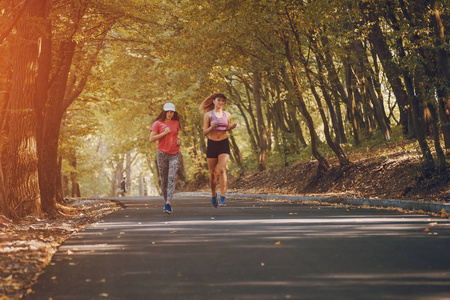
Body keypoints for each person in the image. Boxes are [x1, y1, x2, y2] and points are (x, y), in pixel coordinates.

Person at [200, 92, 237, 207]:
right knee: (213, 172)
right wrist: (211, 126)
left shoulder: (227, 115)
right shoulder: (208, 115)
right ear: (214, 101)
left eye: (223, 101)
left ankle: (223, 197)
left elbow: (225, 128)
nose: (221, 103)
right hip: (212, 144)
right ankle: (213, 195)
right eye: (219, 100)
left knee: (222, 170)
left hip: (223, 144)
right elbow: (204, 132)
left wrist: (231, 127)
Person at [149, 102, 182, 214]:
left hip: (174, 154)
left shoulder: (176, 122)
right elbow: (151, 139)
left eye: (171, 112)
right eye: (167, 111)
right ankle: (165, 201)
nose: (169, 113)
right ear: (164, 112)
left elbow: (177, 135)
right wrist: (164, 133)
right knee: (164, 179)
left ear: (174, 113)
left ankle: (168, 202)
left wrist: (179, 141)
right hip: (162, 154)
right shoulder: (157, 123)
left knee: (172, 176)